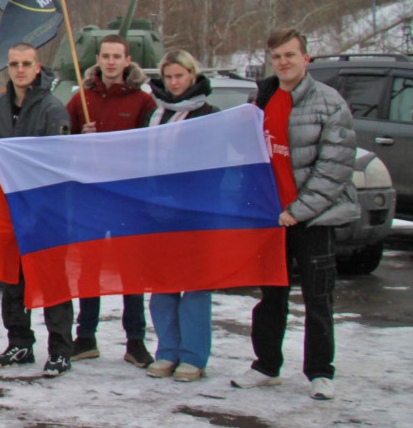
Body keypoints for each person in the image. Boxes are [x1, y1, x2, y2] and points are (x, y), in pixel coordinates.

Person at [234, 28, 357, 400]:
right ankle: (266, 365)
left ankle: (320, 371)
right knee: (271, 295)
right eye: (277, 57)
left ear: (306, 59)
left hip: (314, 218)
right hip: (273, 218)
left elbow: (335, 167)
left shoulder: (328, 103)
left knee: (319, 296)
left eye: (290, 55)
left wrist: (298, 211)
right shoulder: (264, 98)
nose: (283, 62)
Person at [0, 42, 76, 377]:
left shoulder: (53, 109)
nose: (19, 70)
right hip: (10, 212)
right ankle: (19, 341)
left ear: (38, 68)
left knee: (51, 281)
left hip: (47, 212)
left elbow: (59, 162)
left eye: (25, 64)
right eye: (13, 64)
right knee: (14, 282)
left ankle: (62, 349)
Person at [66, 33, 157, 366]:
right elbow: (61, 144)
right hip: (91, 195)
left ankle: (135, 341)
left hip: (128, 198)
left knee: (130, 271)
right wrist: (80, 137)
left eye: (117, 56)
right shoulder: (82, 98)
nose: (111, 62)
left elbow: (153, 147)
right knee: (88, 268)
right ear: (98, 59)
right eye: (106, 56)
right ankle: (85, 337)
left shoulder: (143, 101)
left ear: (127, 61)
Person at [142, 51, 219, 383]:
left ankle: (194, 355)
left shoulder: (208, 114)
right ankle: (167, 350)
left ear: (192, 75)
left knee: (195, 286)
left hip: (193, 212)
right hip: (156, 211)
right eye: (169, 77)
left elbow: (215, 166)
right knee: (162, 286)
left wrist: (186, 199)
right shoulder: (154, 114)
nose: (174, 83)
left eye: (180, 76)